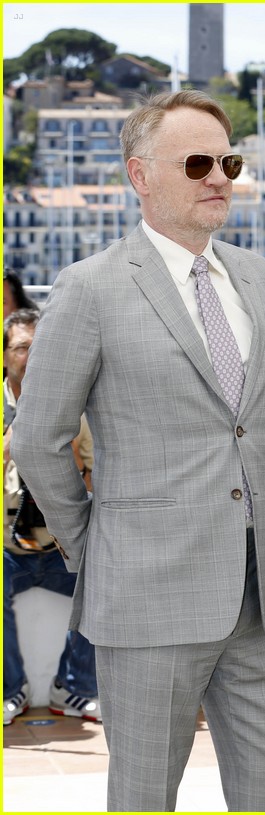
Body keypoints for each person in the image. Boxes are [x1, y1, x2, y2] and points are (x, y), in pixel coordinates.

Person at [10, 89, 265, 811]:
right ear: (140, 176)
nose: (219, 177)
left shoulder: (263, 281)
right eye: (198, 162)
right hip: (145, 592)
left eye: (228, 161)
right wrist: (96, 547)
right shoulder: (89, 288)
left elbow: (254, 422)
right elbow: (40, 439)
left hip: (258, 593)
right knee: (144, 795)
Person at [4, 308, 100, 726]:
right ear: (6, 355)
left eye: (40, 346)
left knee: (108, 587)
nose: (32, 355)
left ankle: (73, 687)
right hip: (7, 544)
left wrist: (77, 466)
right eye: (23, 346)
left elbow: (99, 479)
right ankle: (11, 690)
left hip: (62, 544)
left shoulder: (77, 404)